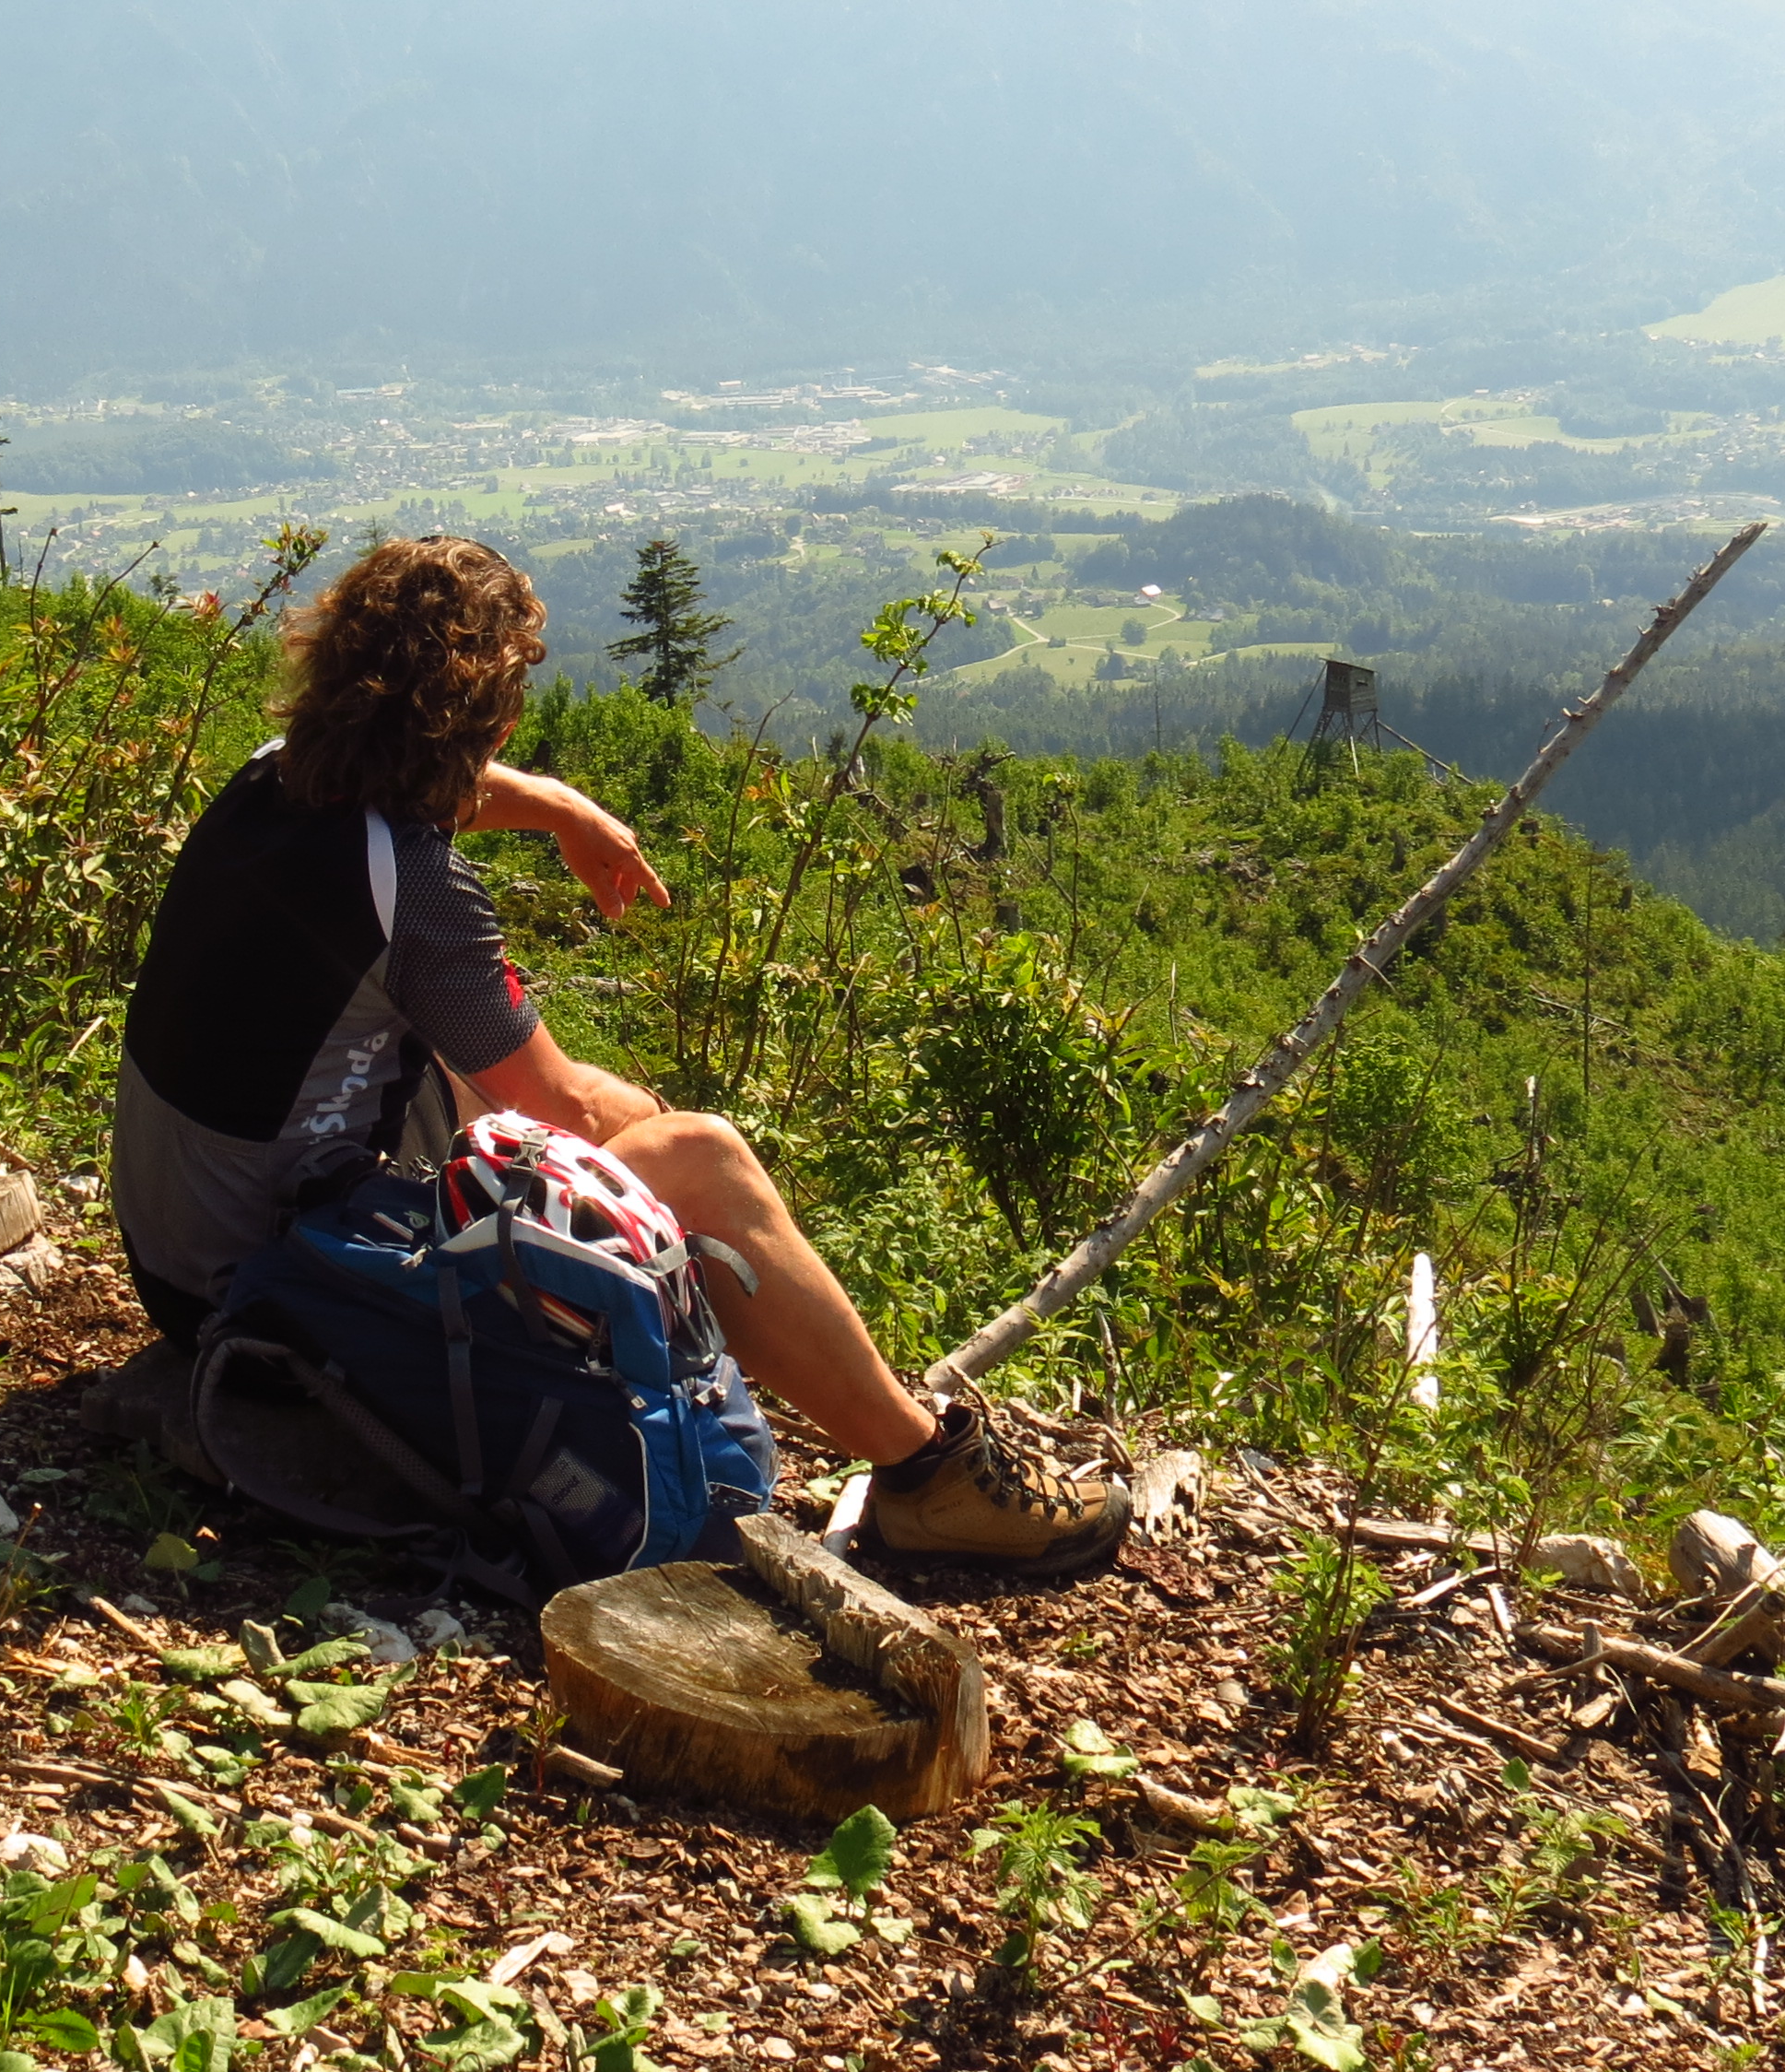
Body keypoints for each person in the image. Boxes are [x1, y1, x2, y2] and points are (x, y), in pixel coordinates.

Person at [113, 536, 1128, 1575]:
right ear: (495, 716)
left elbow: (416, 783)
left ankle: (739, 1360)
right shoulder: (413, 892)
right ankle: (929, 1477)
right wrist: (656, 1140)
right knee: (700, 1160)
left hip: (177, 1252)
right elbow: (570, 1110)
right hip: (275, 1299)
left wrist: (559, 805)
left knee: (482, 1081)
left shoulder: (275, 777)